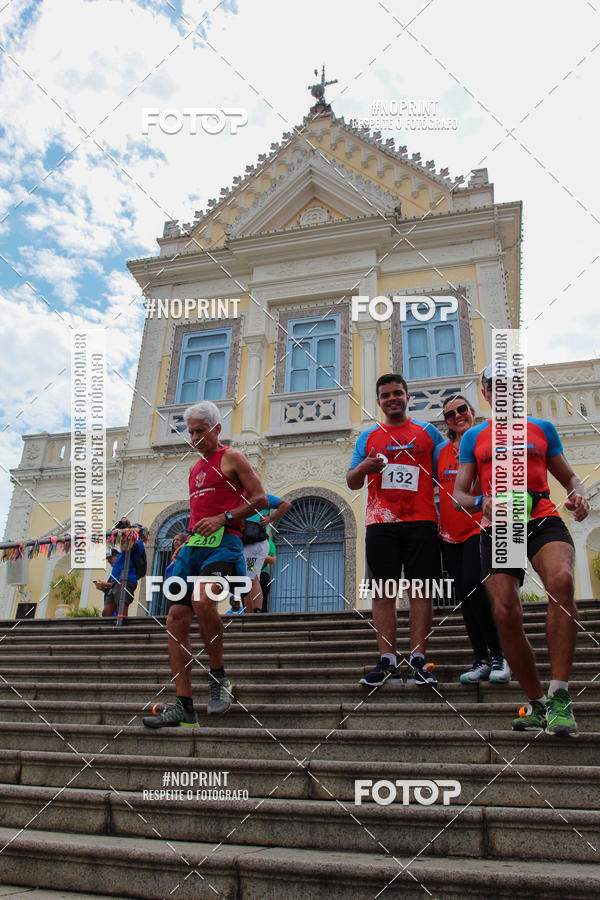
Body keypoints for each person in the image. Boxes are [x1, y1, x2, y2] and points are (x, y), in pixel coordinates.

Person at [453, 364, 589, 735]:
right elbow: (458, 496)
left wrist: (577, 492)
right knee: (505, 612)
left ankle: (560, 694)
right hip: (498, 527)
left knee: (561, 582)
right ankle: (537, 702)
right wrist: (481, 502)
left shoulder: (541, 429)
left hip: (542, 515)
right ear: (485, 393)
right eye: (496, 387)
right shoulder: (474, 438)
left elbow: (569, 476)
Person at [143, 400, 267, 728]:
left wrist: (224, 518)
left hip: (225, 544)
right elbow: (200, 514)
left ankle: (218, 677)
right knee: (175, 617)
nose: (196, 437)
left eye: (202, 430)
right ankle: (184, 706)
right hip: (194, 548)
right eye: (191, 432)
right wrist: (184, 540)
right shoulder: (195, 469)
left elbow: (260, 499)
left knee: (203, 599)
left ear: (216, 429)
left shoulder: (232, 457)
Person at [347, 373, 445, 686]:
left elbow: (449, 469)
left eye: (397, 393)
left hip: (422, 520)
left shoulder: (428, 432)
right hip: (381, 523)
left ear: (407, 396)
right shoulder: (368, 436)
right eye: (386, 395)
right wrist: (364, 467)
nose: (392, 399)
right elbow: (351, 480)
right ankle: (387, 660)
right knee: (382, 591)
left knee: (421, 590)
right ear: (378, 401)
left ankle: (417, 659)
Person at [434, 395, 509, 684]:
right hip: (449, 535)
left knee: (476, 588)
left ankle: (500, 656)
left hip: (481, 529)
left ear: (472, 411)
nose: (457, 416)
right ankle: (481, 659)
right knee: (466, 596)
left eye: (461, 409)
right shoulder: (440, 452)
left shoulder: (486, 442)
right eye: (450, 414)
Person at [242, 494, 290, 612]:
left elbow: (285, 504)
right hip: (242, 542)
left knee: (253, 578)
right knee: (246, 580)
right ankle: (249, 613)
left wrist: (270, 519)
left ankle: (257, 610)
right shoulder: (238, 496)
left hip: (255, 541)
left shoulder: (263, 496)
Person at [94, 520, 145, 618]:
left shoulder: (138, 543)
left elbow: (124, 548)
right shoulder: (128, 542)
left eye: (131, 528)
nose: (128, 530)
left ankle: (122, 630)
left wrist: (124, 535)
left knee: (122, 608)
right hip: (116, 581)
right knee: (106, 612)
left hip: (126, 579)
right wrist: (122, 523)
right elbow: (115, 531)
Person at [260, 529, 277, 612]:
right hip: (251, 574)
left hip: (262, 574)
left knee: (263, 600)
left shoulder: (269, 542)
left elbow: (273, 560)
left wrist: (259, 556)